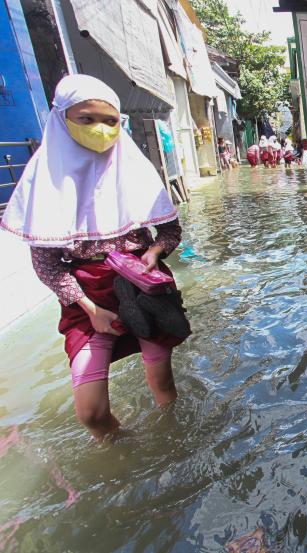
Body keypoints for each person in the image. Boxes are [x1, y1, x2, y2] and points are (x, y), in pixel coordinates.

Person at [0, 74, 188, 441]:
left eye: (110, 121)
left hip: (142, 289)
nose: (100, 130)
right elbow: (48, 266)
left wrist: (152, 252)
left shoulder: (133, 170)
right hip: (88, 299)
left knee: (162, 381)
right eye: (86, 119)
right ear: (62, 119)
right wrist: (90, 309)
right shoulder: (45, 182)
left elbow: (170, 231)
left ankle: (172, 440)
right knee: (90, 412)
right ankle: (125, 448)